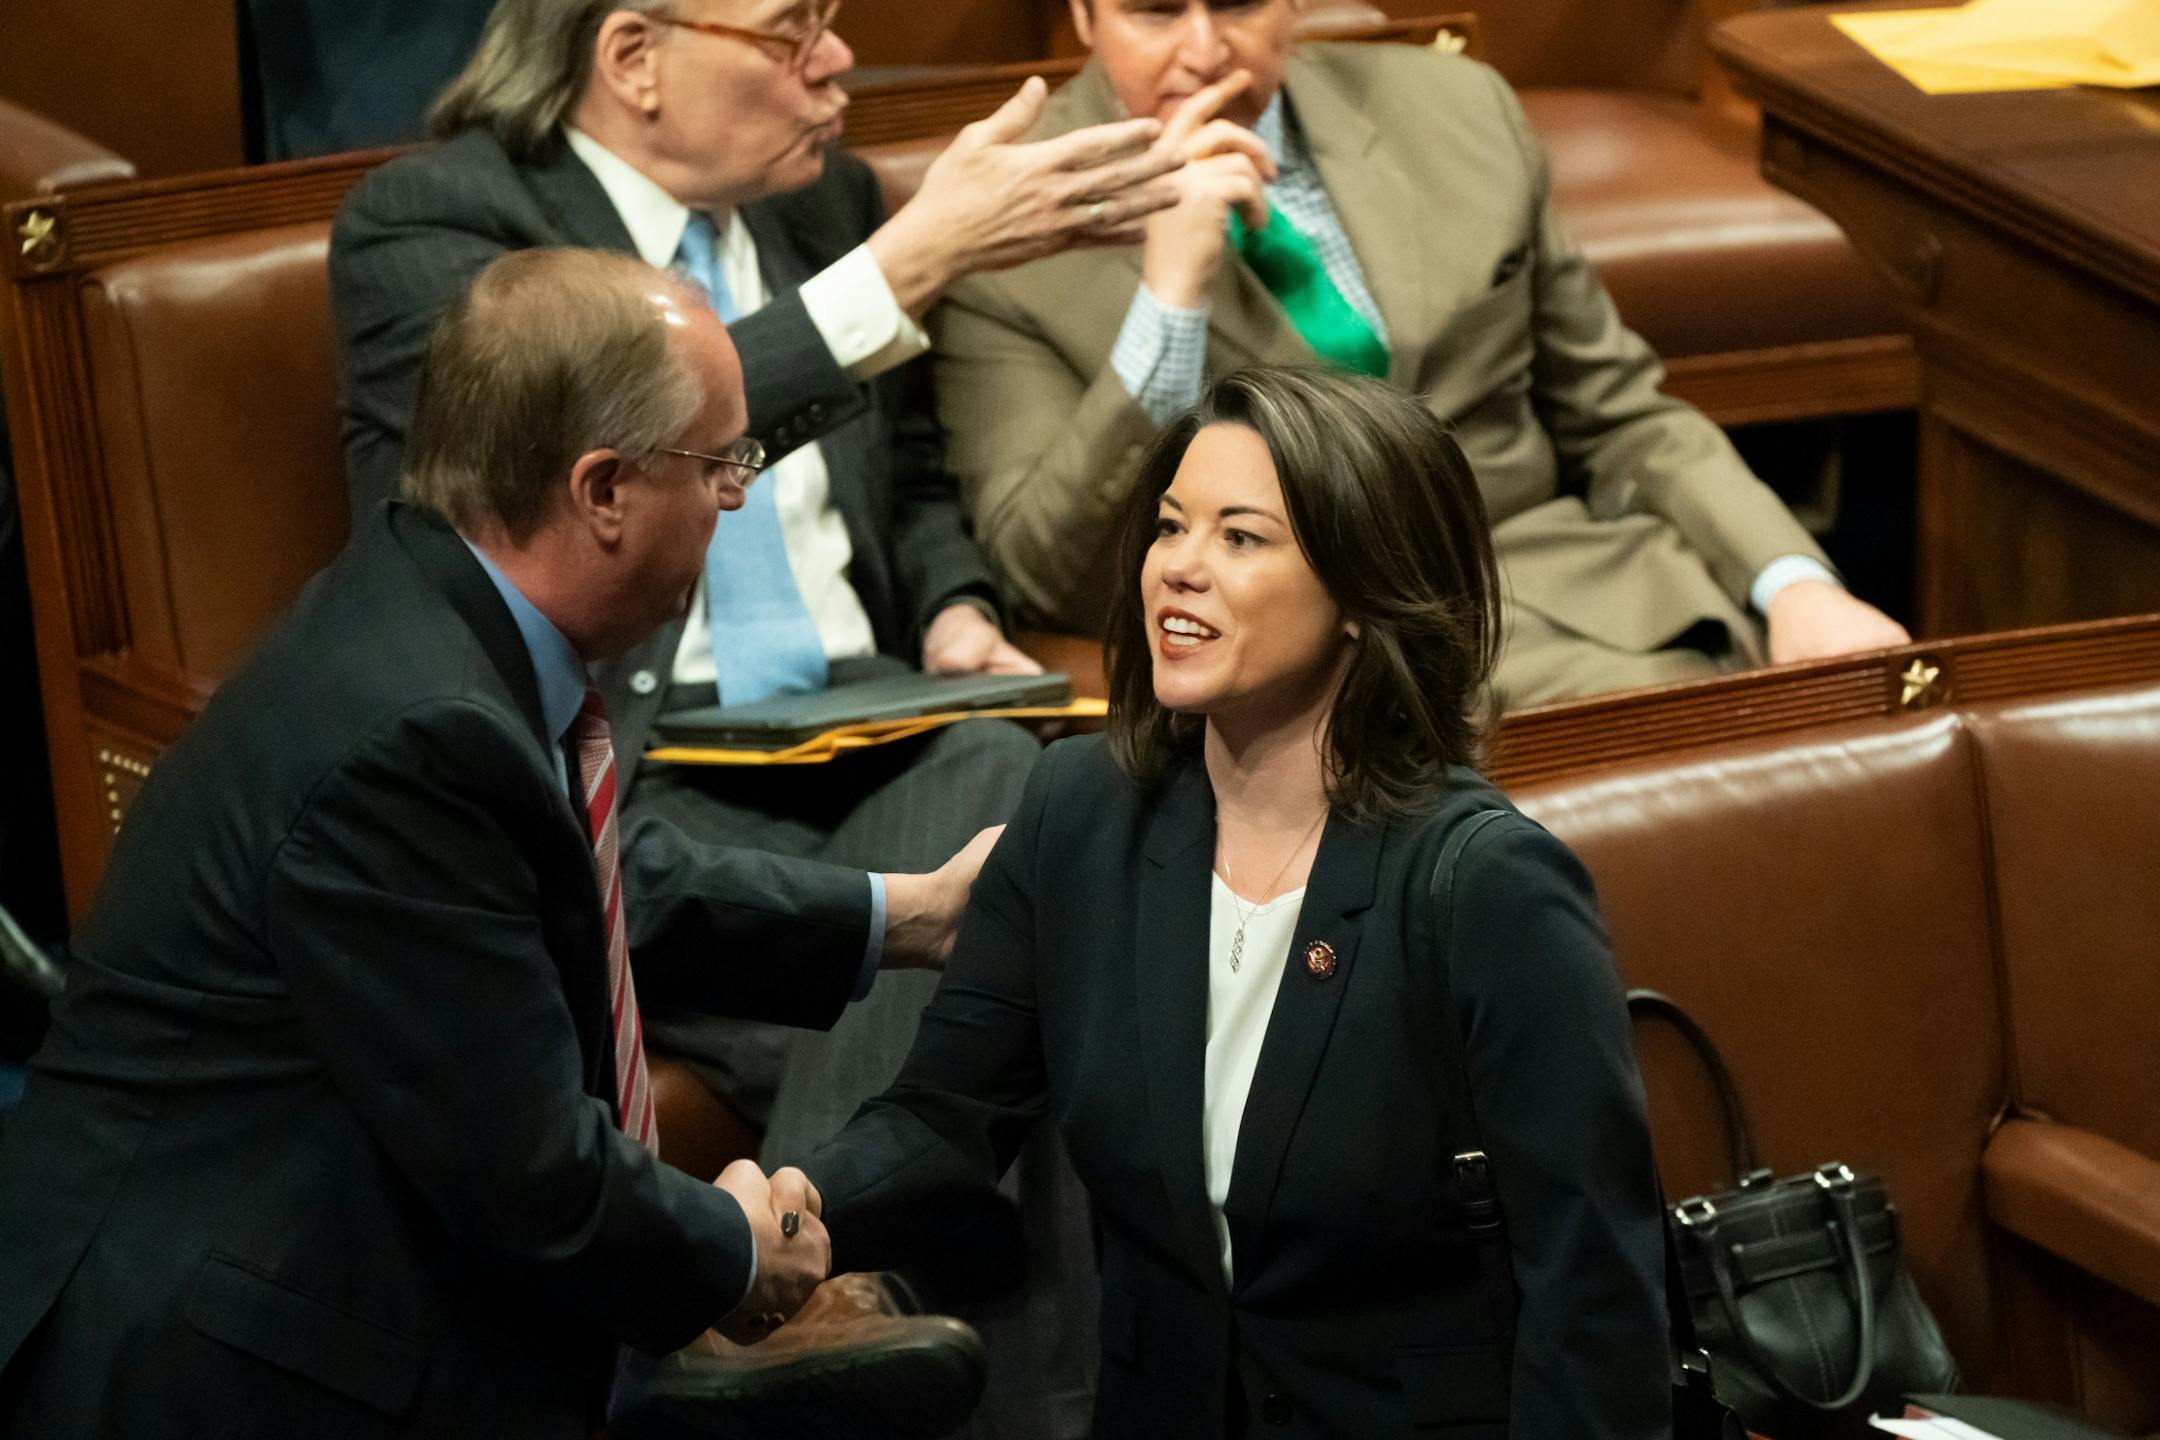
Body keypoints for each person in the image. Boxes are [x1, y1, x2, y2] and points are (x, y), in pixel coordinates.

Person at [0, 249, 988, 1437]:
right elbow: (532, 1181)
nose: (739, 495)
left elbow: (584, 885)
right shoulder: (418, 732)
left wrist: (908, 915)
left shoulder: (433, 599)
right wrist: (733, 1248)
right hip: (221, 1355)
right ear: (602, 491)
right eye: (723, 462)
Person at [796, 366, 1672, 1438]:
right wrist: (780, 1215)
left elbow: (1595, 1300)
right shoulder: (1080, 815)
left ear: (1362, 592)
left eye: (1241, 539)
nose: (1179, 571)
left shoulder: (1489, 886)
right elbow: (945, 1122)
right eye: (1171, 529)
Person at [931, 0, 1912, 709]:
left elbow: (1622, 416)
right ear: (1083, 14)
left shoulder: (1461, 112)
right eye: (1154, 10)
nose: (1201, 48)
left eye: (1236, 3)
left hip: (1590, 611)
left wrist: (1798, 588)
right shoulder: (1007, 237)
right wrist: (1169, 300)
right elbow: (1044, 571)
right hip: (1309, 678)